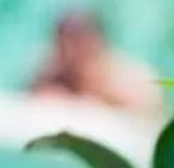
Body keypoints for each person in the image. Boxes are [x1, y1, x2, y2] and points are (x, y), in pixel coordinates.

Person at [29, 8, 158, 112]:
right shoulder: (52, 71)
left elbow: (150, 119)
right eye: (63, 45)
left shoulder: (129, 80)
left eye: (77, 43)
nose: (70, 52)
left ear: (97, 43)